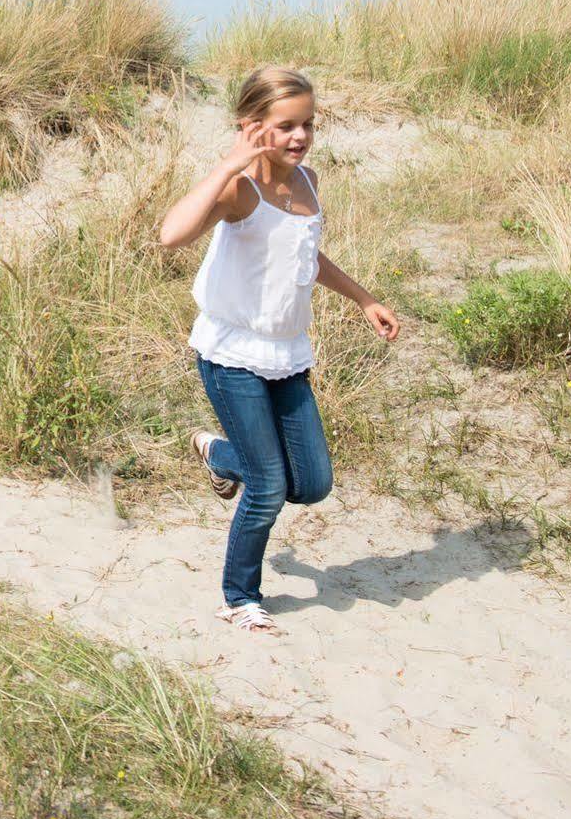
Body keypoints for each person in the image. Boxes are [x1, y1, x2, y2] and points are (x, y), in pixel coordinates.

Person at [157, 67, 400, 635]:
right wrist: (227, 165)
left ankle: (220, 456)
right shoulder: (241, 190)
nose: (300, 137)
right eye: (286, 126)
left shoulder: (309, 182)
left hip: (286, 354)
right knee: (267, 486)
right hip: (232, 353)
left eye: (308, 125)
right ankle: (240, 596)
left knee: (310, 483)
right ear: (252, 127)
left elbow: (305, 258)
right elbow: (172, 234)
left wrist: (364, 300)